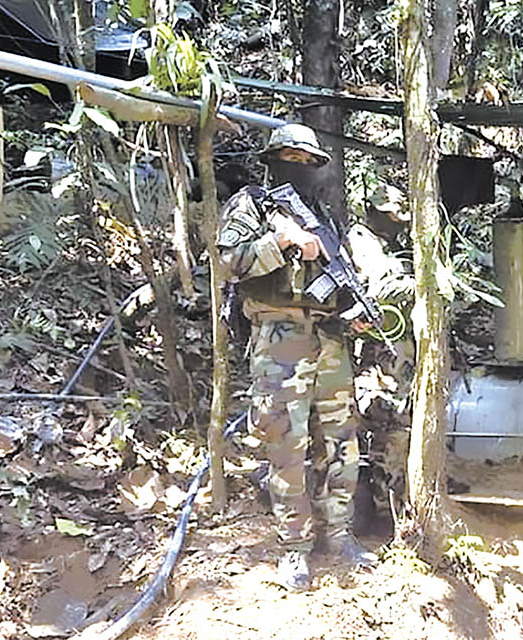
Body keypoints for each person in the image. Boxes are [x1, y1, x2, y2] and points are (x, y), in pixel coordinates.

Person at [216, 123, 376, 590]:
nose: (300, 167)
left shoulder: (324, 214)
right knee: (286, 446)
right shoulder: (253, 206)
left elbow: (339, 278)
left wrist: (354, 316)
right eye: (291, 158)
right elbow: (227, 263)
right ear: (272, 161)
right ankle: (293, 549)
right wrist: (281, 241)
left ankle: (340, 536)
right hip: (279, 336)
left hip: (329, 339)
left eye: (308, 161)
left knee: (342, 444)